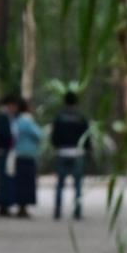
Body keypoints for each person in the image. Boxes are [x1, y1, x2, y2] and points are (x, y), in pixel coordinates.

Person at [50, 91, 92, 220]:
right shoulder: (81, 118)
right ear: (76, 102)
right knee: (78, 184)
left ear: (65, 101)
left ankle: (57, 210)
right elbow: (87, 136)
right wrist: (88, 149)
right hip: (77, 153)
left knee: (60, 184)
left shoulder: (59, 117)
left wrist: (56, 146)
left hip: (62, 152)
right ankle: (77, 211)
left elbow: (54, 136)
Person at [10, 97, 43, 218]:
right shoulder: (27, 120)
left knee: (20, 182)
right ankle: (23, 208)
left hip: (19, 154)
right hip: (28, 155)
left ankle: (21, 206)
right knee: (27, 183)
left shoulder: (16, 120)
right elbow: (39, 135)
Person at [0, 95, 17, 216]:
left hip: (6, 150)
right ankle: (3, 206)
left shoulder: (8, 117)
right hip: (4, 150)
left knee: (6, 179)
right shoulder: (2, 117)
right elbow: (2, 134)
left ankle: (5, 205)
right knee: (4, 179)